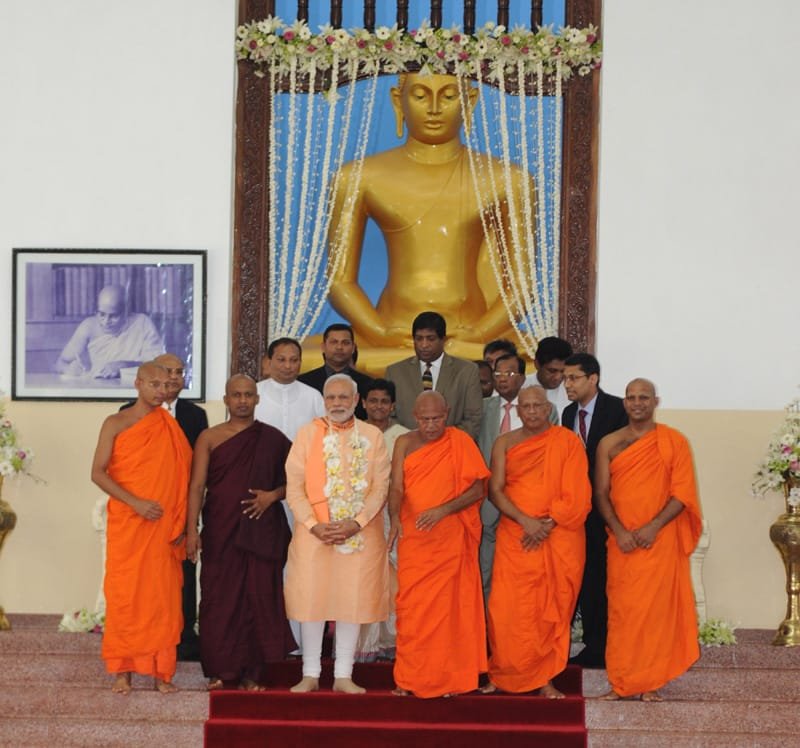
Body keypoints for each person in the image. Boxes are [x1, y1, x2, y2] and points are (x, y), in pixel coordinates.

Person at [326, 73, 536, 371]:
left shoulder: (508, 179)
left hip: (471, 336)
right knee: (306, 360)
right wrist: (379, 331)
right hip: (393, 335)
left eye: (449, 96)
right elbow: (340, 281)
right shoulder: (358, 177)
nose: (435, 108)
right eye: (421, 95)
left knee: (531, 365)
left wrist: (477, 334)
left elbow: (521, 288)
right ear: (398, 101)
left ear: (469, 102)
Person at [595, 379, 702, 701]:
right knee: (623, 613)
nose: (637, 403)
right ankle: (621, 682)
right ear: (624, 403)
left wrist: (654, 526)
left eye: (644, 397)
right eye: (631, 398)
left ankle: (650, 682)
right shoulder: (609, 443)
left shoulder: (673, 441)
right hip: (622, 542)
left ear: (656, 401)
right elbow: (601, 493)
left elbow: (681, 493)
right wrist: (619, 530)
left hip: (659, 541)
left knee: (655, 614)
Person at [186, 374, 296, 690]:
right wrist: (192, 530)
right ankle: (221, 672)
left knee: (259, 599)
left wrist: (271, 496)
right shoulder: (209, 437)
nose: (243, 400)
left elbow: (298, 482)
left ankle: (252, 674)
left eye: (249, 395)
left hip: (262, 532)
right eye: (237, 395)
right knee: (218, 599)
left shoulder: (273, 439)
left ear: (257, 399)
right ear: (226, 399)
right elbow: (196, 486)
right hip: (221, 530)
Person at [283, 374, 391, 694]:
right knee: (311, 600)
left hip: (359, 534)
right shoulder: (307, 435)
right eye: (331, 398)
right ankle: (311, 673)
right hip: (313, 533)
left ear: (356, 401)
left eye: (344, 398)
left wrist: (355, 522)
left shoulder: (372, 436)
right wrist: (313, 524)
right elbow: (295, 486)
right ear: (324, 401)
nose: (337, 404)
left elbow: (379, 487)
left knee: (352, 601)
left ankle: (344, 674)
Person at [482, 386, 591, 698]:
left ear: (548, 409)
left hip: (559, 535)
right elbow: (496, 489)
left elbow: (578, 492)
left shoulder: (567, 442)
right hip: (516, 534)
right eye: (525, 406)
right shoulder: (504, 442)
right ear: (517, 411)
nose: (531, 411)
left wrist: (548, 523)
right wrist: (525, 521)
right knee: (506, 609)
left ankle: (544, 678)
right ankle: (503, 674)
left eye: (537, 406)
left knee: (551, 608)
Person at [90, 362, 192, 694]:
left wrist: (181, 521)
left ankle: (162, 673)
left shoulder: (169, 426)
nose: (161, 390)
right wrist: (135, 502)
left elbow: (183, 479)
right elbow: (98, 472)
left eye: (166, 385)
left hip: (162, 527)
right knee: (125, 597)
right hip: (129, 523)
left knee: (162, 599)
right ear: (138, 383)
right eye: (155, 384)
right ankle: (123, 672)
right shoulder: (116, 423)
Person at [390, 391, 489, 698]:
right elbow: (396, 486)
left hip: (450, 537)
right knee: (413, 609)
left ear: (446, 413)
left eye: (437, 418)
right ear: (413, 416)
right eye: (424, 419)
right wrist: (394, 518)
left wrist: (443, 509)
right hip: (415, 539)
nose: (431, 425)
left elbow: (478, 489)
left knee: (450, 611)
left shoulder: (459, 442)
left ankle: (448, 679)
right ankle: (409, 678)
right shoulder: (404, 443)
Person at [120, 353, 208, 662]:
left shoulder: (196, 416)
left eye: (178, 372)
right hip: (141, 515)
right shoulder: (127, 414)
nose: (172, 378)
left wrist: (191, 519)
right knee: (141, 582)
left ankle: (182, 638)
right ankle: (140, 641)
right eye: (166, 372)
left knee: (182, 577)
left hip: (181, 510)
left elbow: (198, 471)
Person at [562, 353, 627, 668]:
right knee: (586, 577)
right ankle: (593, 644)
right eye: (564, 378)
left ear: (593, 378)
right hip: (579, 512)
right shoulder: (567, 413)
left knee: (608, 578)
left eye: (573, 378)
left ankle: (611, 645)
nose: (567, 384)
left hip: (612, 507)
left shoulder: (617, 409)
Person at [477, 353, 555, 602]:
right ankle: (487, 624)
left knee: (523, 569)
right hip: (490, 497)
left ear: (522, 377)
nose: (502, 379)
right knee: (485, 564)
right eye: (497, 373)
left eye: (509, 374)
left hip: (526, 501)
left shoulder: (544, 413)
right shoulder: (483, 408)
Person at [355, 379, 409, 662]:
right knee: (364, 577)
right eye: (372, 400)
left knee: (394, 577)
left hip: (393, 514)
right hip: (359, 517)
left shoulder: (404, 436)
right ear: (362, 402)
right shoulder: (353, 432)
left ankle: (391, 639)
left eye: (384, 401)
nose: (378, 406)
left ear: (393, 405)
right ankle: (364, 642)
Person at [386, 311, 482, 440]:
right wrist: (411, 442)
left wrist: (440, 443)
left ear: (443, 339)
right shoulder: (395, 372)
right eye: (419, 338)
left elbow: (473, 420)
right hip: (408, 451)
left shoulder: (466, 371)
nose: (424, 345)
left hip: (451, 451)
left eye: (430, 339)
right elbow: (389, 417)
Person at [56, 285, 164, 379]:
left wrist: (125, 365)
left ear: (126, 312)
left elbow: (159, 365)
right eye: (101, 314)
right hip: (99, 387)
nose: (106, 321)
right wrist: (68, 369)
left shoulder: (142, 323)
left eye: (113, 316)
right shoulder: (89, 326)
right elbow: (59, 363)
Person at [254, 338, 325, 441]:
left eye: (294, 360)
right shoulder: (254, 392)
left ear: (300, 362)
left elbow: (325, 434)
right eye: (281, 360)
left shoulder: (313, 396)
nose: (288, 366)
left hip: (304, 456)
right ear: (269, 362)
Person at [299, 324, 373, 420]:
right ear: (323, 347)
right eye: (334, 342)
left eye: (345, 343)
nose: (339, 347)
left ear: (353, 348)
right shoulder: (304, 382)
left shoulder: (368, 384)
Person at [531, 336, 573, 421]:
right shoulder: (519, 388)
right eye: (552, 371)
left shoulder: (574, 394)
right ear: (537, 364)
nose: (558, 377)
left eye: (563, 371)